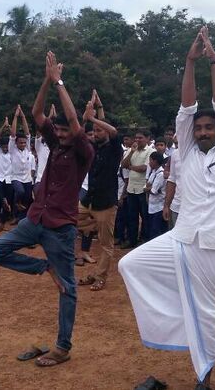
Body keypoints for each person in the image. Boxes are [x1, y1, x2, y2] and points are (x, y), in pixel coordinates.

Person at [120, 27, 215, 390]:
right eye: (199, 128)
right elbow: (187, 108)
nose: (202, 131)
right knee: (131, 264)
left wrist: (213, 60)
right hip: (182, 238)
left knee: (212, 311)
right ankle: (178, 330)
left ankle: (205, 378)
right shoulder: (184, 151)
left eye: (208, 127)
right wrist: (189, 61)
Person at [0, 51, 94, 368]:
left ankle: (62, 346)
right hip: (35, 219)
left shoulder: (82, 151)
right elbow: (36, 113)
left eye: (64, 131)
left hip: (60, 230)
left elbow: (74, 123)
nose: (60, 134)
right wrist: (46, 81)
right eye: (57, 131)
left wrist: (59, 81)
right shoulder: (55, 143)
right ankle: (43, 267)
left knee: (68, 288)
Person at [76, 90, 121, 292]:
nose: (95, 133)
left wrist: (93, 116)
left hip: (106, 204)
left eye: (98, 130)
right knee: (69, 220)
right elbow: (79, 135)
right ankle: (91, 227)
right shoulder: (94, 147)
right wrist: (91, 116)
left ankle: (99, 277)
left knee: (105, 245)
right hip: (89, 201)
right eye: (93, 130)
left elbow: (112, 131)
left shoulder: (115, 148)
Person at [121, 130, 152, 249]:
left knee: (145, 216)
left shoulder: (150, 151)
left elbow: (144, 168)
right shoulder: (131, 150)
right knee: (131, 216)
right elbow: (123, 164)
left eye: (141, 138)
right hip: (131, 189)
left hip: (142, 189)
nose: (138, 140)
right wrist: (131, 153)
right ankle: (132, 240)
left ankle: (144, 240)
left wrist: (131, 167)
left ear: (147, 138)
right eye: (136, 138)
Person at [9, 105, 33, 222]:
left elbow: (27, 132)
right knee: (20, 191)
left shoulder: (28, 149)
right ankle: (16, 208)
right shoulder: (12, 149)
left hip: (27, 178)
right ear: (16, 143)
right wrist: (16, 116)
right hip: (16, 177)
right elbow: (13, 134)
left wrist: (23, 117)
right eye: (21, 143)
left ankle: (21, 218)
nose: (23, 144)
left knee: (27, 198)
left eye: (24, 143)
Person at [144, 151, 167, 240]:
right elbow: (147, 185)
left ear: (155, 161)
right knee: (151, 229)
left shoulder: (160, 174)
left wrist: (148, 188)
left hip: (159, 207)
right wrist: (148, 188)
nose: (149, 163)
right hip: (152, 206)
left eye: (150, 160)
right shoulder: (153, 172)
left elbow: (153, 190)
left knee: (156, 231)